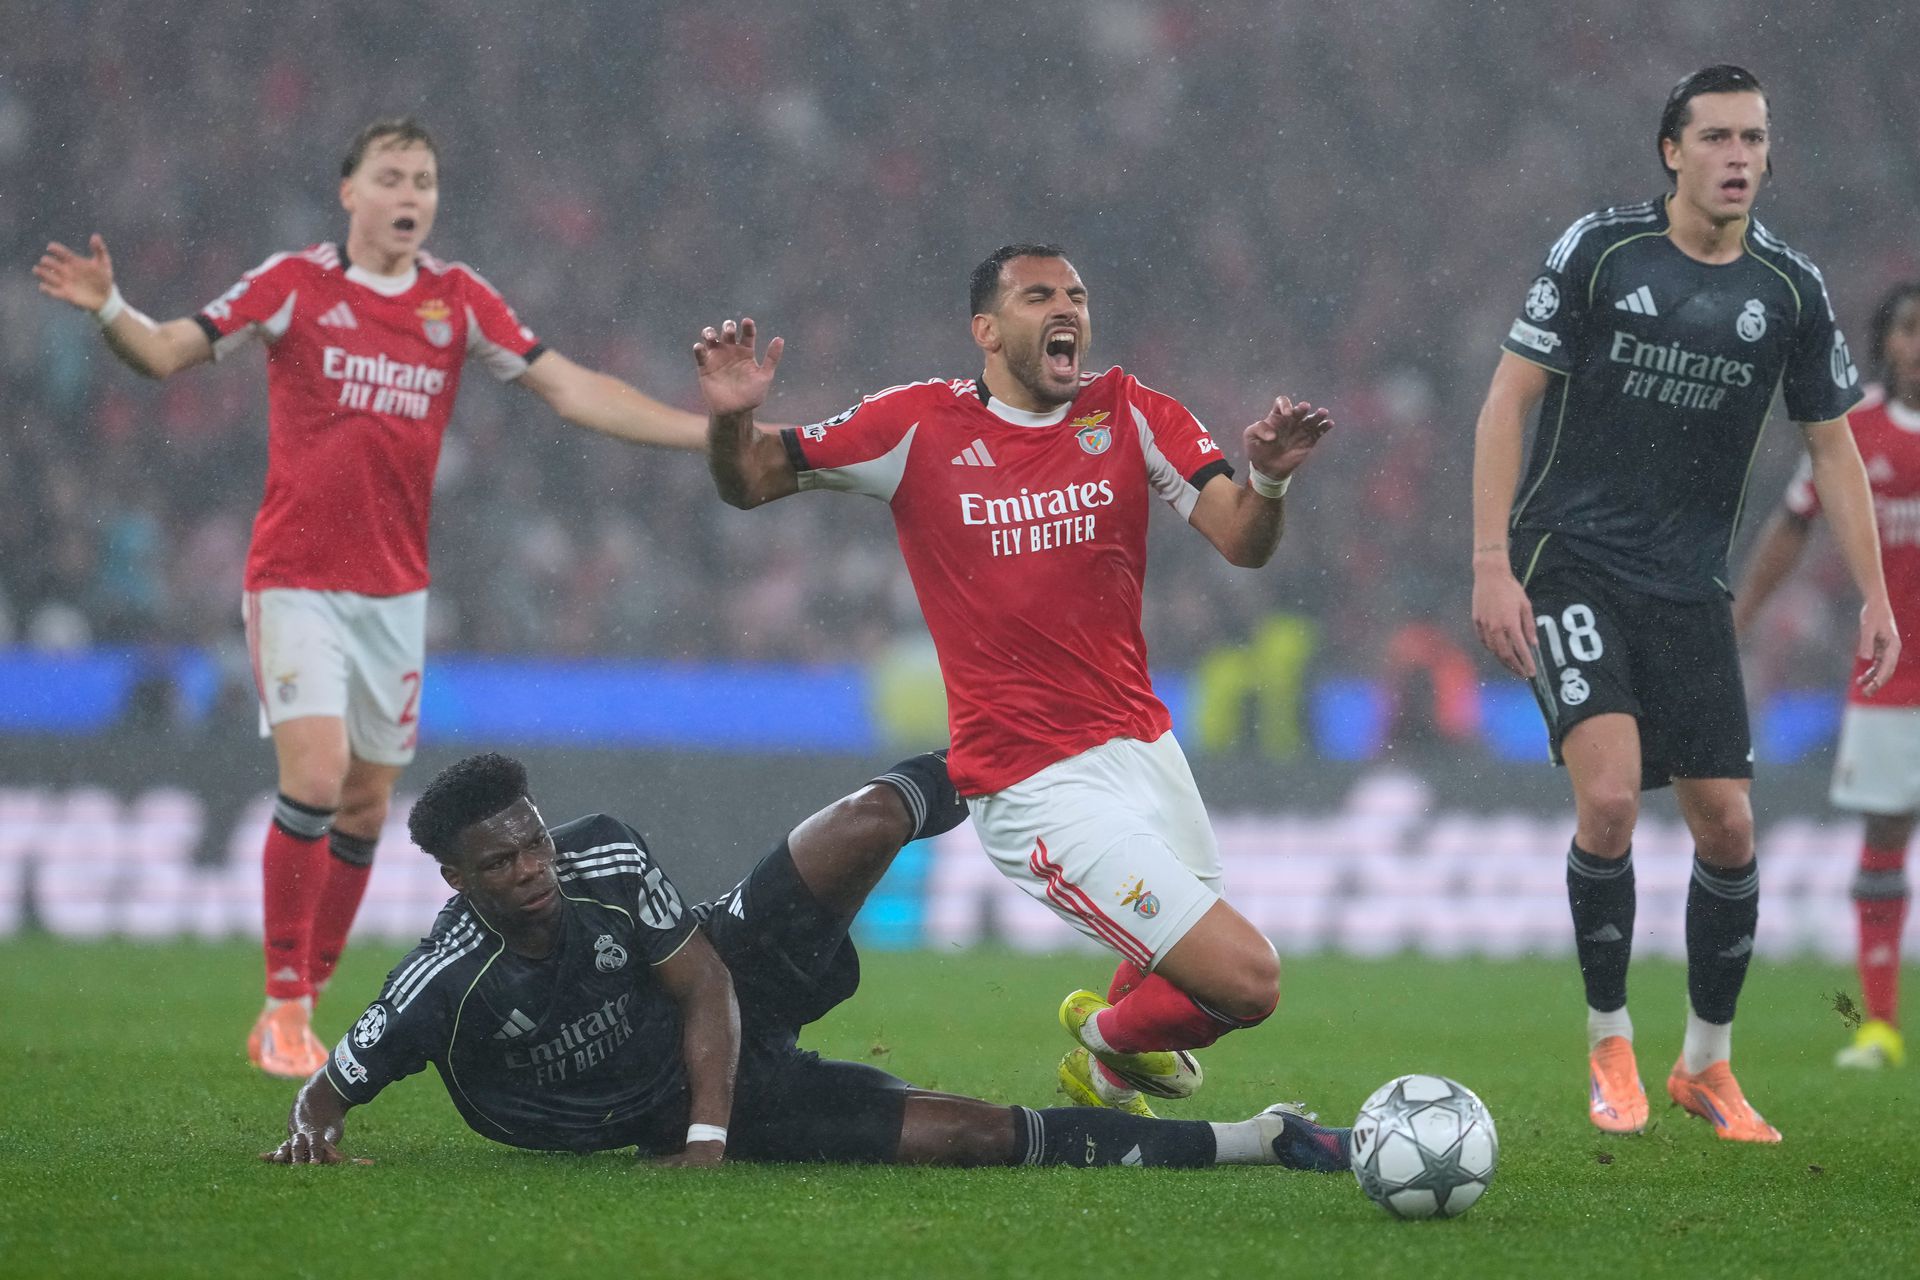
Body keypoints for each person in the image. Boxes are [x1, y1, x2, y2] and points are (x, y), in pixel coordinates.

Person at [33, 118, 714, 1080]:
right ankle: (281, 1003)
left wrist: (707, 434)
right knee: (315, 779)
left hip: (394, 595)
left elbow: (573, 390)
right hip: (296, 581)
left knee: (363, 804)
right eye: (391, 177)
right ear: (349, 192)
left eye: (424, 180)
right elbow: (165, 352)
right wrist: (110, 307)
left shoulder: (457, 299)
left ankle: (308, 993)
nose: (410, 195)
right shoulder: (294, 285)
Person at [692, 244, 1333, 1117]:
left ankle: (1108, 1075)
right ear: (987, 331)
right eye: (1038, 296)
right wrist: (732, 422)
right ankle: (1106, 1032)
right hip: (1034, 781)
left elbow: (1242, 539)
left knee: (1188, 976)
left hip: (1144, 749)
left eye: (1077, 294)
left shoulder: (1130, 412)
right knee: (1248, 981)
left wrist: (1268, 479)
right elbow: (751, 479)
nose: (1066, 308)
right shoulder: (917, 424)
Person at [1469, 65, 1899, 1143]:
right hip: (1572, 560)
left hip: (1690, 582)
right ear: (1672, 151)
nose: (1738, 156)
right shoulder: (1601, 251)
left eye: (1753, 137)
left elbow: (1833, 448)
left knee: (1730, 829)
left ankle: (1705, 1062)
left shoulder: (1789, 288)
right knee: (1611, 799)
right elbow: (1508, 400)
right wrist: (1490, 563)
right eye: (1716, 137)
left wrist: (1876, 595)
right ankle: (1609, 1040)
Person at [260, 749, 1351, 1173]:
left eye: (534, 842)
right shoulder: (443, 986)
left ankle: (1025, 753)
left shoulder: (601, 855)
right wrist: (316, 1131)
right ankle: (1261, 1139)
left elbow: (700, 980)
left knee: (873, 814)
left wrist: (705, 1140)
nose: (534, 869)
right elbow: (330, 1088)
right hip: (691, 1100)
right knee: (975, 1136)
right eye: (501, 863)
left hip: (720, 994)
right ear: (456, 880)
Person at [1733, 281, 1920, 1070]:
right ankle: (1879, 1027)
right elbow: (1792, 523)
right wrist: (1738, 620)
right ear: (1886, 341)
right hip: (1890, 674)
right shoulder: (1854, 430)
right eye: (1909, 328)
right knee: (1885, 834)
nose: (1919, 344)